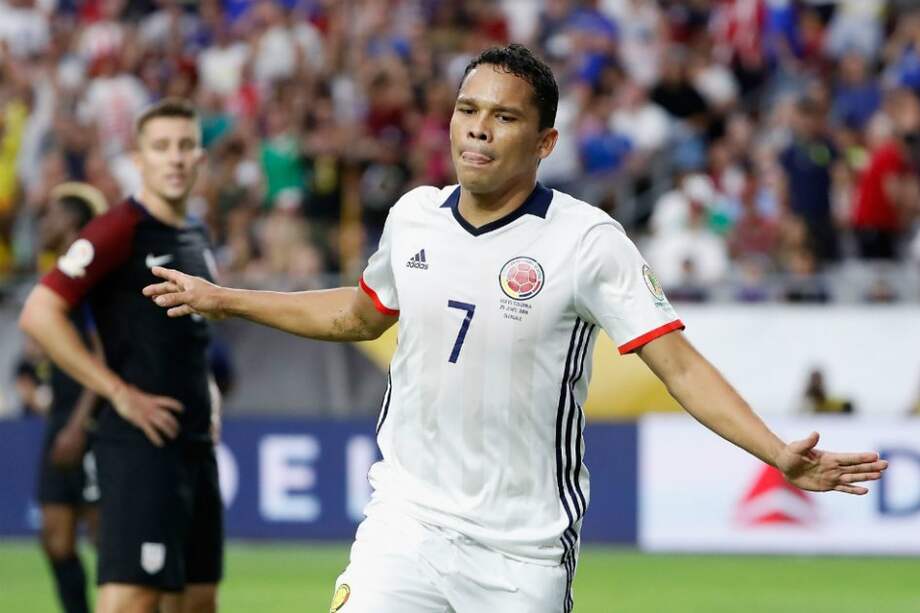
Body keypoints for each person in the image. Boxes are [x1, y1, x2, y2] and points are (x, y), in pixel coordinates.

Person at [142, 46, 887, 613]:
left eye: (504, 116)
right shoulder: (414, 218)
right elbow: (360, 314)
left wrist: (775, 451)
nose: (478, 128)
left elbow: (680, 366)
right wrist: (228, 299)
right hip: (406, 524)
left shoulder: (587, 242)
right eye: (468, 109)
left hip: (521, 553)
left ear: (545, 141)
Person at [20, 99, 223, 613]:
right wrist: (119, 394)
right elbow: (39, 312)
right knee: (132, 598)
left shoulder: (196, 235)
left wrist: (210, 396)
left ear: (200, 158)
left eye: (185, 146)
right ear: (138, 158)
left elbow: (189, 338)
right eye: (161, 147)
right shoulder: (118, 228)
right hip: (140, 446)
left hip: (195, 444)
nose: (175, 158)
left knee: (197, 600)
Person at [34, 182, 108, 613]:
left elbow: (102, 356)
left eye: (52, 215)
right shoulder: (59, 278)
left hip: (92, 420)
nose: (43, 223)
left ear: (72, 224)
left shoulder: (90, 282)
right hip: (61, 417)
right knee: (55, 537)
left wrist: (79, 426)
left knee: (105, 538)